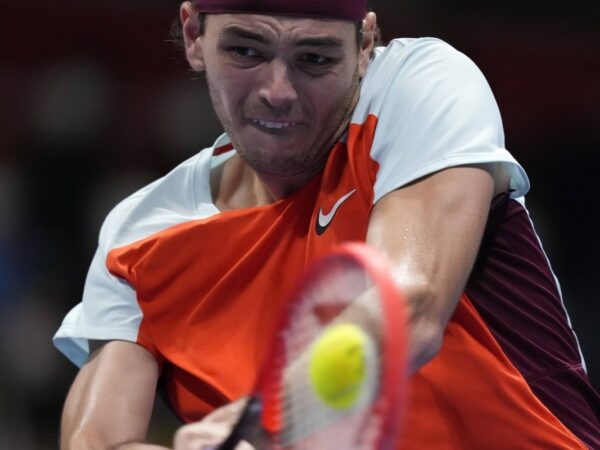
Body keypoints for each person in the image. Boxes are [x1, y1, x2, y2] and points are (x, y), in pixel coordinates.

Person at [53, 1, 600, 449]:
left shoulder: (416, 88)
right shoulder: (139, 234)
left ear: (365, 46)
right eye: (246, 50)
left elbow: (405, 308)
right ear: (195, 35)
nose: (279, 90)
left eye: (314, 59)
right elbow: (96, 440)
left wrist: (261, 423)